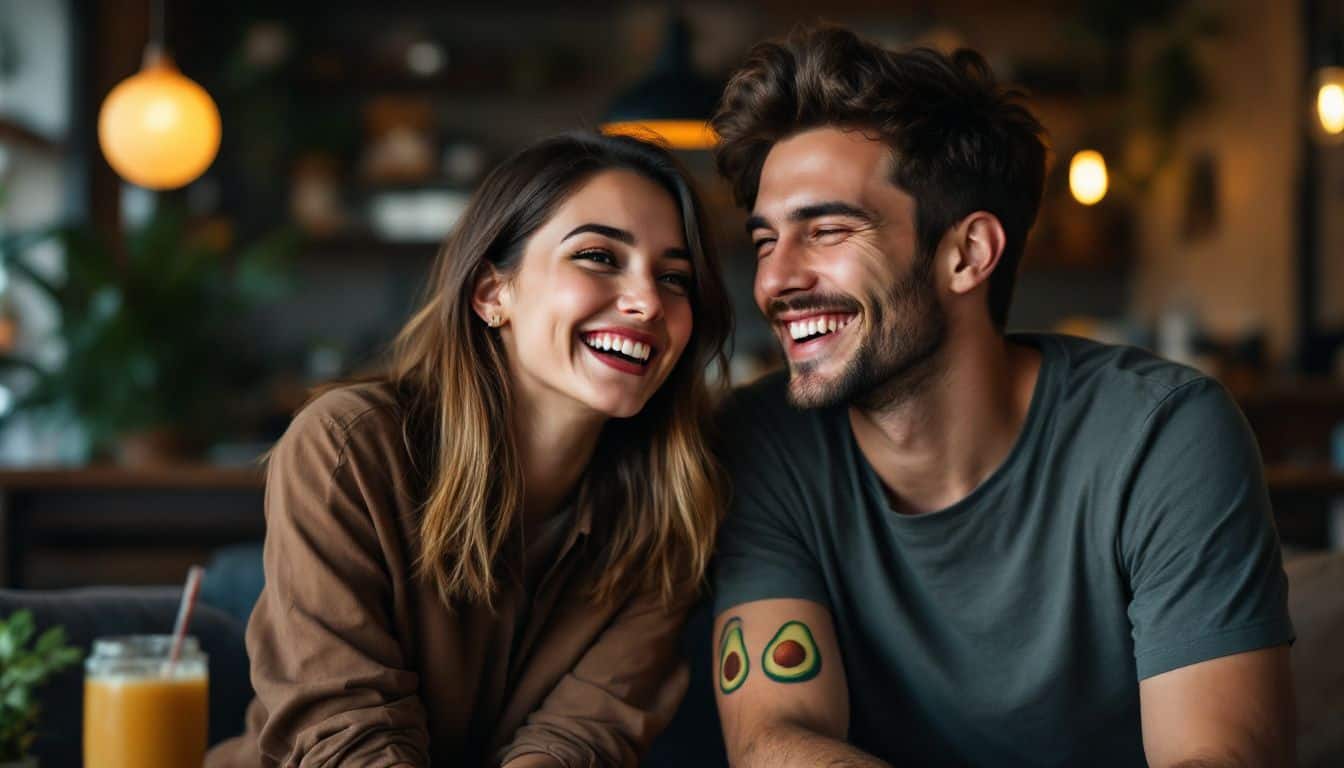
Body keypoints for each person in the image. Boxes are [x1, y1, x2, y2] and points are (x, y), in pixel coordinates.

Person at [707, 26, 1296, 768]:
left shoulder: (1161, 435)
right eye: (765, 242)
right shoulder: (765, 443)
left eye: (825, 229)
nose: (774, 281)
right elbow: (774, 738)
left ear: (967, 254)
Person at [207, 132, 732, 767]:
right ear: (491, 293)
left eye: (674, 277)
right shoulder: (348, 447)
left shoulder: (672, 509)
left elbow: (578, 743)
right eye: (598, 256)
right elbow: (346, 737)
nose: (648, 300)